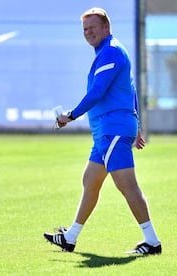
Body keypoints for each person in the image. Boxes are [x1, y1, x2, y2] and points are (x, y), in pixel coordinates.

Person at [43, 7, 161, 255]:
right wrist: (137, 125)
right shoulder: (109, 51)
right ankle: (71, 237)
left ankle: (152, 242)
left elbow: (97, 93)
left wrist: (70, 115)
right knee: (90, 181)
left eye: (93, 28)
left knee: (128, 186)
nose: (88, 33)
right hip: (107, 132)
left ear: (106, 28)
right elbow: (131, 90)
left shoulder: (111, 52)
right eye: (85, 29)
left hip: (113, 131)